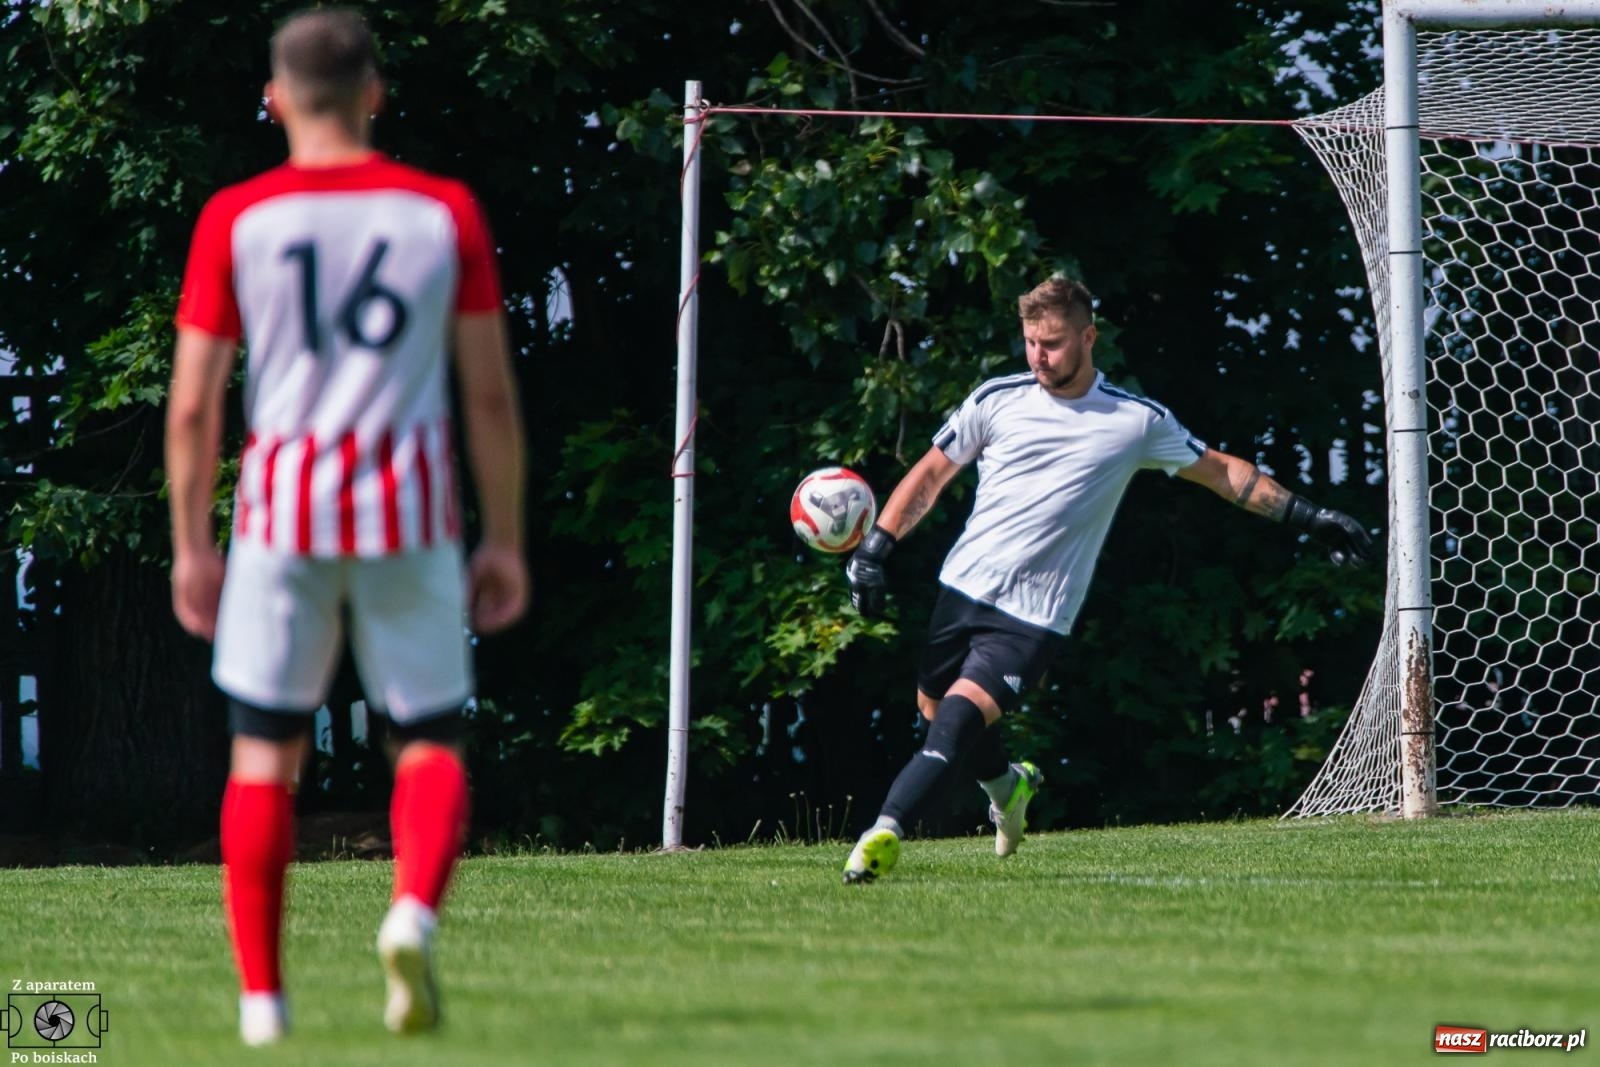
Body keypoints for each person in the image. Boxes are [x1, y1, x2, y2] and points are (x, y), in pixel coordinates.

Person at [164, 8, 527, 1042]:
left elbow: (193, 403)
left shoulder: (237, 216)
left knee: (265, 752)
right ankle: (410, 910)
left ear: (275, 98)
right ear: (375, 92)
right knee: (427, 734)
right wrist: (501, 534)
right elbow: (488, 396)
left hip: (282, 511)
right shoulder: (440, 211)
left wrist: (195, 541)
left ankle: (263, 1003)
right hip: (407, 507)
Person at [840, 277, 1371, 884]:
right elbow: (932, 473)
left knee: (955, 722)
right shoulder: (997, 399)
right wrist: (876, 548)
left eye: (1055, 343)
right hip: (960, 591)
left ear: (1088, 336)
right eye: (1031, 342)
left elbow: (1224, 474)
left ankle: (883, 832)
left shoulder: (1132, 421)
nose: (1039, 356)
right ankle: (1010, 788)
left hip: (1034, 618)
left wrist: (1309, 516)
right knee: (935, 712)